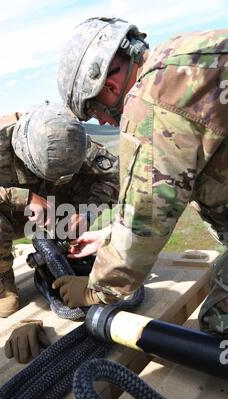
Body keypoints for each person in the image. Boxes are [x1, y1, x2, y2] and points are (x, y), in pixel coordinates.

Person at [54, 17, 228, 336]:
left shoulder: (149, 100)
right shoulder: (182, 54)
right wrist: (108, 234)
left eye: (95, 112)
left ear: (108, 88)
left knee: (219, 322)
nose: (104, 123)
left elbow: (145, 217)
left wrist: (96, 290)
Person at [0, 101, 119, 320]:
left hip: (49, 210)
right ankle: (2, 277)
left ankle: (62, 252)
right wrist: (23, 198)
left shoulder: (67, 140)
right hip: (3, 216)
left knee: (88, 187)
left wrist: (86, 213)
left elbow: (113, 174)